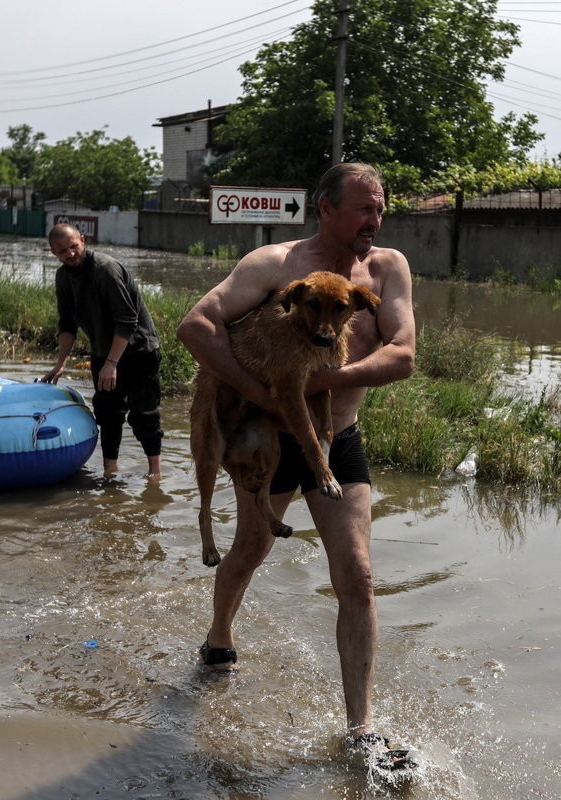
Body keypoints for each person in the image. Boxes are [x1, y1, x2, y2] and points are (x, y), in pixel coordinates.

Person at [176, 162, 416, 764]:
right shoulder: (275, 267)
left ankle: (360, 728)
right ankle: (218, 638)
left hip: (340, 435)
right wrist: (263, 396)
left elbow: (404, 354)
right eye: (363, 208)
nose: (375, 220)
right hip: (269, 434)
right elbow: (196, 326)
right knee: (252, 549)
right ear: (326, 209)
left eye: (380, 208)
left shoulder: (386, 269)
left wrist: (322, 379)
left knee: (357, 576)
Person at [41, 224, 162, 477]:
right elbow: (67, 324)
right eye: (63, 251)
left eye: (74, 246)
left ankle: (155, 475)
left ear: (83, 241)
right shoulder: (63, 277)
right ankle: (110, 472)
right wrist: (61, 363)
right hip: (103, 354)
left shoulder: (105, 270)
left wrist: (112, 364)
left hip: (138, 351)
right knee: (107, 414)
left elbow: (127, 320)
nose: (71, 254)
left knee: (144, 415)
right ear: (53, 253)